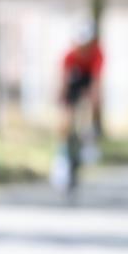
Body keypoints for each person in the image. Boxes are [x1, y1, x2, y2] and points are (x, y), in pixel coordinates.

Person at [51, 26, 104, 192]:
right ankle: (63, 155)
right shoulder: (69, 56)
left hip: (88, 81)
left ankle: (90, 136)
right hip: (73, 82)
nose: (84, 51)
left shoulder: (97, 54)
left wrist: (93, 101)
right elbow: (64, 83)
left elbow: (96, 82)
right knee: (66, 119)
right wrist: (62, 101)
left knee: (94, 102)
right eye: (81, 47)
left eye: (87, 46)